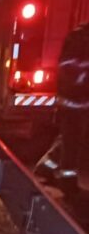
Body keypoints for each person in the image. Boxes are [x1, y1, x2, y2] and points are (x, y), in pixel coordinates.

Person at [36, 22, 89, 193]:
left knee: (68, 139)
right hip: (74, 102)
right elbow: (70, 68)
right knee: (71, 141)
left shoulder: (78, 36)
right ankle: (67, 183)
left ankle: (45, 169)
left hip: (76, 101)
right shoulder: (79, 39)